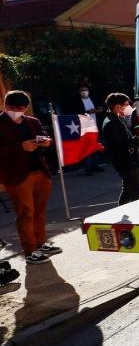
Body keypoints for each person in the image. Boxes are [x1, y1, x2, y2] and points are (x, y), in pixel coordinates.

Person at [0, 90, 62, 264]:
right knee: (26, 213)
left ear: (26, 108)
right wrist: (20, 147)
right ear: (6, 105)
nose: (17, 111)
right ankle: (30, 251)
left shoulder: (32, 121)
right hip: (17, 176)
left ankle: (41, 243)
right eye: (13, 108)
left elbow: (46, 137)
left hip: (39, 171)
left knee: (39, 212)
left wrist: (46, 142)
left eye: (21, 108)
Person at [102, 93, 139, 205]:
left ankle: (121, 210)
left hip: (128, 160)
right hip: (126, 162)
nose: (127, 106)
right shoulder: (111, 123)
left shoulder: (119, 119)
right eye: (125, 104)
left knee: (128, 190)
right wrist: (135, 141)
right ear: (117, 106)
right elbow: (119, 145)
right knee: (136, 191)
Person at [70, 82, 105, 176]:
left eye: (86, 90)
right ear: (79, 91)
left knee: (95, 146)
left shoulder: (92, 99)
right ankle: (87, 168)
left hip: (94, 126)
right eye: (82, 90)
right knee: (86, 148)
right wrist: (88, 112)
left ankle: (95, 165)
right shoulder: (76, 101)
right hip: (84, 127)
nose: (84, 92)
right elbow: (75, 113)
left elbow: (98, 107)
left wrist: (99, 109)